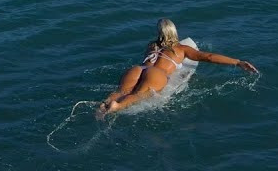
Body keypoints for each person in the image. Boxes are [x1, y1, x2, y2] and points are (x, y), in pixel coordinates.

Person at [96, 18, 258, 119]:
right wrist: (237, 62)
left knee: (122, 92)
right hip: (157, 74)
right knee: (139, 95)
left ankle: (105, 105)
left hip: (138, 68)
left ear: (159, 33)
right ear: (174, 31)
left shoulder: (151, 45)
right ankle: (118, 107)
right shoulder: (181, 49)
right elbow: (208, 57)